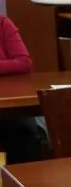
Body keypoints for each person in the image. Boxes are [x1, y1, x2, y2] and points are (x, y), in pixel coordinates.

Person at [0, 15, 44, 164]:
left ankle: (25, 179)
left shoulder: (2, 23)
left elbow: (24, 63)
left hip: (10, 104)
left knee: (26, 133)